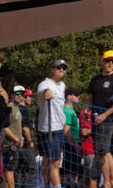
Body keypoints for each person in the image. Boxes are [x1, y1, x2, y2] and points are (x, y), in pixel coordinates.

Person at [86, 50, 113, 188]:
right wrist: (87, 110)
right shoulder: (95, 79)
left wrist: (106, 114)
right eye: (108, 60)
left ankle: (108, 183)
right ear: (102, 61)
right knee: (105, 151)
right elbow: (89, 97)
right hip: (96, 119)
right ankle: (112, 181)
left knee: (101, 151)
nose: (110, 63)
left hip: (108, 119)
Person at [36, 59, 69, 188]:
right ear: (52, 69)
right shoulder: (44, 83)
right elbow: (42, 91)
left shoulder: (63, 85)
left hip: (58, 128)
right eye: (58, 67)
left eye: (63, 68)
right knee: (49, 161)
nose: (61, 70)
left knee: (54, 162)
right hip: (46, 128)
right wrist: (46, 92)